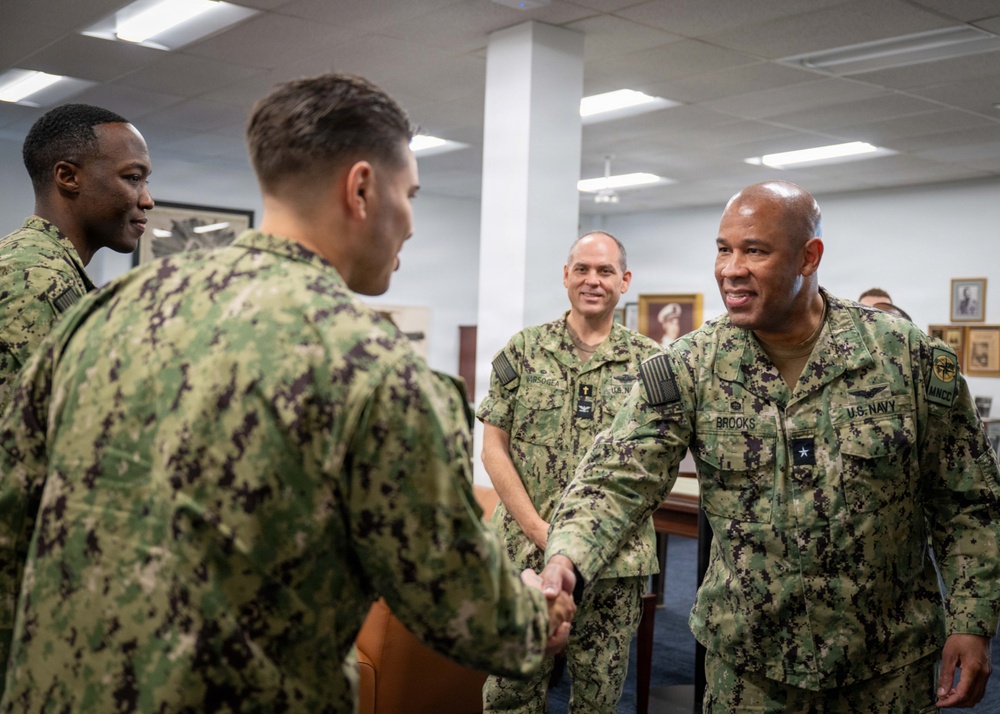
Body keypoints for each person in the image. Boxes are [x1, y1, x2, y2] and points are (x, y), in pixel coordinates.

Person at [0, 73, 573, 712]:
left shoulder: (102, 315)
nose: (409, 223)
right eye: (409, 194)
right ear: (361, 189)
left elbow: (11, 522)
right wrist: (538, 607)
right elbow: (470, 612)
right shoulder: (378, 371)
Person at [542, 180, 1000, 712]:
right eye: (723, 249)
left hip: (886, 666)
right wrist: (565, 558)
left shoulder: (904, 358)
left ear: (809, 257)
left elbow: (968, 499)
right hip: (751, 670)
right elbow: (616, 477)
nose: (730, 269)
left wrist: (972, 620)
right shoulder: (693, 365)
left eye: (754, 251)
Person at [478, 231, 661, 713]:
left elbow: (655, 464)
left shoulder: (653, 364)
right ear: (565, 276)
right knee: (509, 691)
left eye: (604, 271)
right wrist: (541, 533)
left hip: (614, 564)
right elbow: (493, 448)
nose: (592, 280)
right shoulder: (524, 351)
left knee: (598, 696)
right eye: (582, 269)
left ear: (624, 281)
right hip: (524, 551)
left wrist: (580, 548)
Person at [0, 103, 154, 412]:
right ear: (68, 177)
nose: (147, 200)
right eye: (133, 178)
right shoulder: (36, 280)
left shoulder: (52, 271)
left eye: (144, 181)